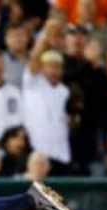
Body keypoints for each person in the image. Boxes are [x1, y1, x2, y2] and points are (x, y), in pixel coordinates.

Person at [22, 20, 71, 175]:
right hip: (38, 155)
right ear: (42, 67)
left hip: (62, 155)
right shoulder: (32, 82)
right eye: (50, 65)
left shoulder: (64, 90)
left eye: (57, 66)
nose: (54, 70)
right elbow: (35, 57)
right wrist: (46, 34)